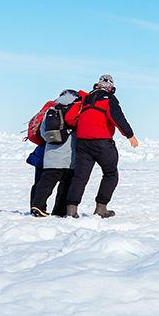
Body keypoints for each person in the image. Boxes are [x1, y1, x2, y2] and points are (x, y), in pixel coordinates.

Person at [64, 75, 139, 218]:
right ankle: (101, 208)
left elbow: (69, 118)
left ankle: (71, 210)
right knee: (111, 174)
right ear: (111, 88)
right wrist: (130, 135)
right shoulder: (109, 99)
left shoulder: (84, 100)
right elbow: (117, 117)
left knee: (80, 176)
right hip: (102, 142)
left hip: (83, 142)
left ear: (96, 86)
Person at [30, 90, 81, 217]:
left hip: (51, 156)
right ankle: (60, 211)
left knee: (46, 183)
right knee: (65, 185)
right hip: (69, 157)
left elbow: (43, 132)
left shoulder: (51, 111)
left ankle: (38, 206)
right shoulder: (75, 112)